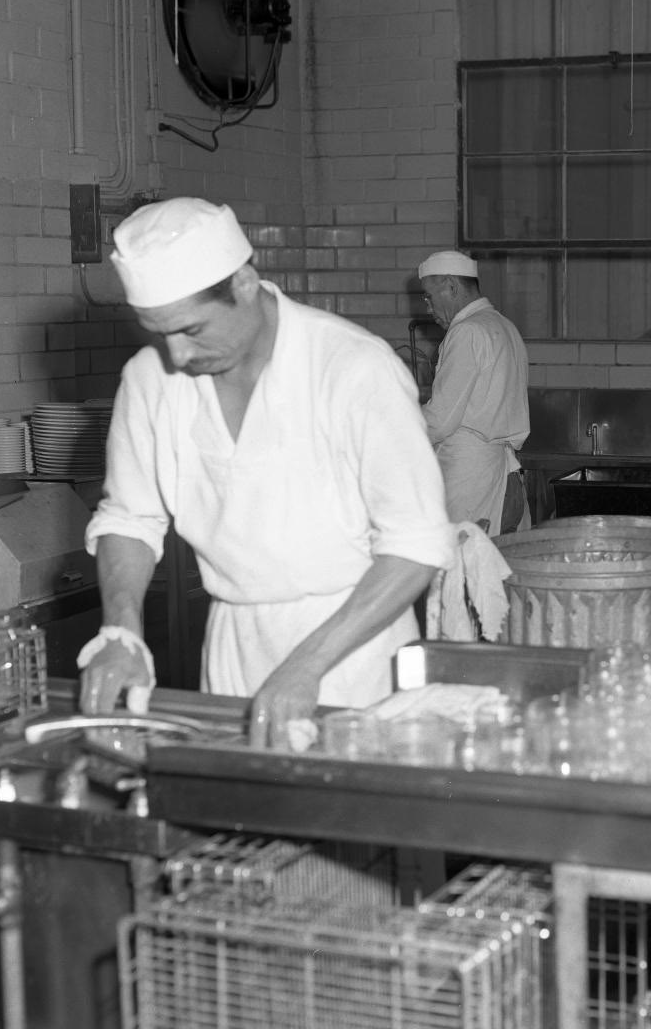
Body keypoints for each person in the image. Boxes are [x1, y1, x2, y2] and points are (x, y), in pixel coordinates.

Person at [78, 197, 457, 749]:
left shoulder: (352, 368)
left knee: (345, 820)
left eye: (193, 330)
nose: (177, 356)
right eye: (160, 334)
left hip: (353, 649)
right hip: (233, 644)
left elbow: (417, 546)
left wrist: (307, 665)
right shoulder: (148, 377)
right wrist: (121, 632)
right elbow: (129, 518)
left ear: (246, 282)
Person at [418, 250, 531, 535]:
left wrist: (397, 431)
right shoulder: (504, 326)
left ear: (451, 286)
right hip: (504, 472)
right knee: (491, 566)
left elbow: (441, 420)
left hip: (469, 476)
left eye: (429, 297)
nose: (428, 309)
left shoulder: (467, 331)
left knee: (463, 569)